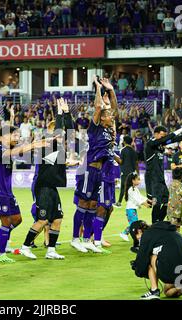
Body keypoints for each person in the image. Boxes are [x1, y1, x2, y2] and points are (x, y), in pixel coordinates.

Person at [19, 98, 75, 260]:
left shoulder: (60, 146)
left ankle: (51, 250)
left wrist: (67, 113)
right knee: (42, 220)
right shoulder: (47, 144)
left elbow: (70, 132)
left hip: (52, 187)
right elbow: (61, 131)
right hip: (42, 186)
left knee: (57, 218)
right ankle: (25, 247)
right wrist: (59, 112)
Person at [0, 126, 49, 263]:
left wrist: (38, 145)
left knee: (17, 219)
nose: (17, 138)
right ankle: (1, 252)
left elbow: (18, 152)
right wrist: (32, 145)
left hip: (8, 192)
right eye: (14, 135)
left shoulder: (9, 149)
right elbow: (11, 153)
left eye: (18, 136)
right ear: (3, 137)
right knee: (5, 222)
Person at [71, 76, 118, 253]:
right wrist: (98, 88)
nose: (111, 116)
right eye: (108, 115)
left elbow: (113, 109)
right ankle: (75, 238)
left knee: (92, 205)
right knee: (83, 203)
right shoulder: (96, 128)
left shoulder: (108, 129)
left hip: (100, 173)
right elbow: (99, 107)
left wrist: (111, 90)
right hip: (89, 169)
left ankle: (86, 239)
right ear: (102, 118)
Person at [144, 124, 182, 223]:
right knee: (156, 202)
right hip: (152, 178)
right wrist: (181, 129)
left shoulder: (159, 145)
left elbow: (174, 139)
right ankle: (155, 224)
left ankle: (159, 222)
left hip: (160, 178)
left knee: (167, 201)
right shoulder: (150, 144)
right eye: (162, 135)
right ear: (156, 134)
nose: (163, 138)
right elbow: (166, 139)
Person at [130, 220, 182, 300]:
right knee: (167, 291)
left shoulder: (147, 235)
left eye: (136, 236)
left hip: (172, 268)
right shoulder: (171, 231)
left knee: (150, 256)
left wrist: (136, 267)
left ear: (139, 231)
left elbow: (142, 261)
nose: (137, 238)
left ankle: (154, 291)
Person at [119, 173, 152, 246]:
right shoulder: (130, 189)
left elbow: (140, 196)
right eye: (138, 179)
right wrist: (144, 204)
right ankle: (137, 239)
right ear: (133, 180)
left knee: (134, 224)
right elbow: (136, 199)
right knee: (135, 225)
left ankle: (124, 233)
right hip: (130, 210)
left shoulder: (135, 188)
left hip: (133, 209)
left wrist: (148, 200)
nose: (139, 181)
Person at [115, 135, 138, 207]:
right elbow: (136, 163)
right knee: (131, 188)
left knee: (123, 187)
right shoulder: (133, 150)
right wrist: (137, 172)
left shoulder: (123, 150)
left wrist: (115, 157)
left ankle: (119, 203)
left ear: (124, 141)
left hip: (124, 171)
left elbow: (121, 161)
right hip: (132, 172)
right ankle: (135, 202)